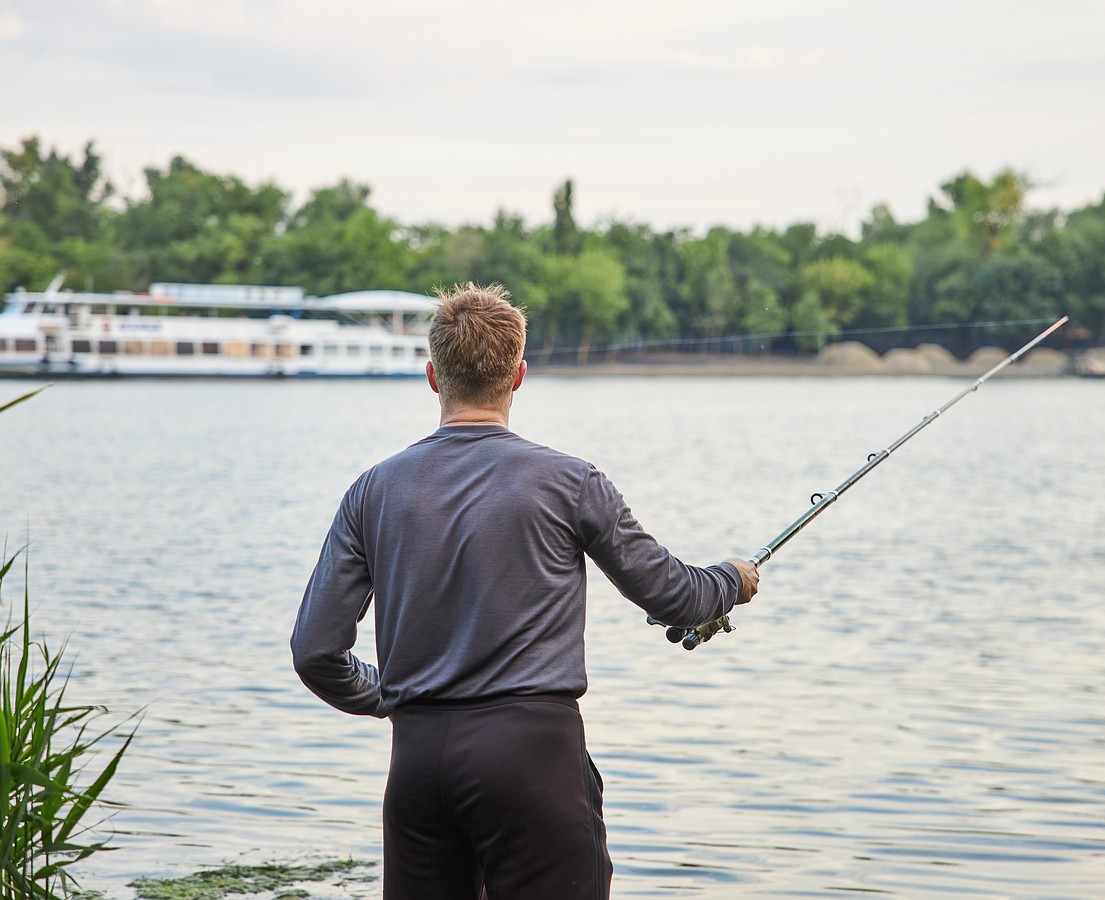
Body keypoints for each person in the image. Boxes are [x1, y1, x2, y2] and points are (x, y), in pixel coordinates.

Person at [291, 282, 759, 900]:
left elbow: (315, 652)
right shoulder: (571, 481)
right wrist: (733, 578)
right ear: (518, 376)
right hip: (532, 759)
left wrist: (391, 697)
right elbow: (679, 597)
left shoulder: (371, 491)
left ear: (433, 376)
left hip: (417, 764)